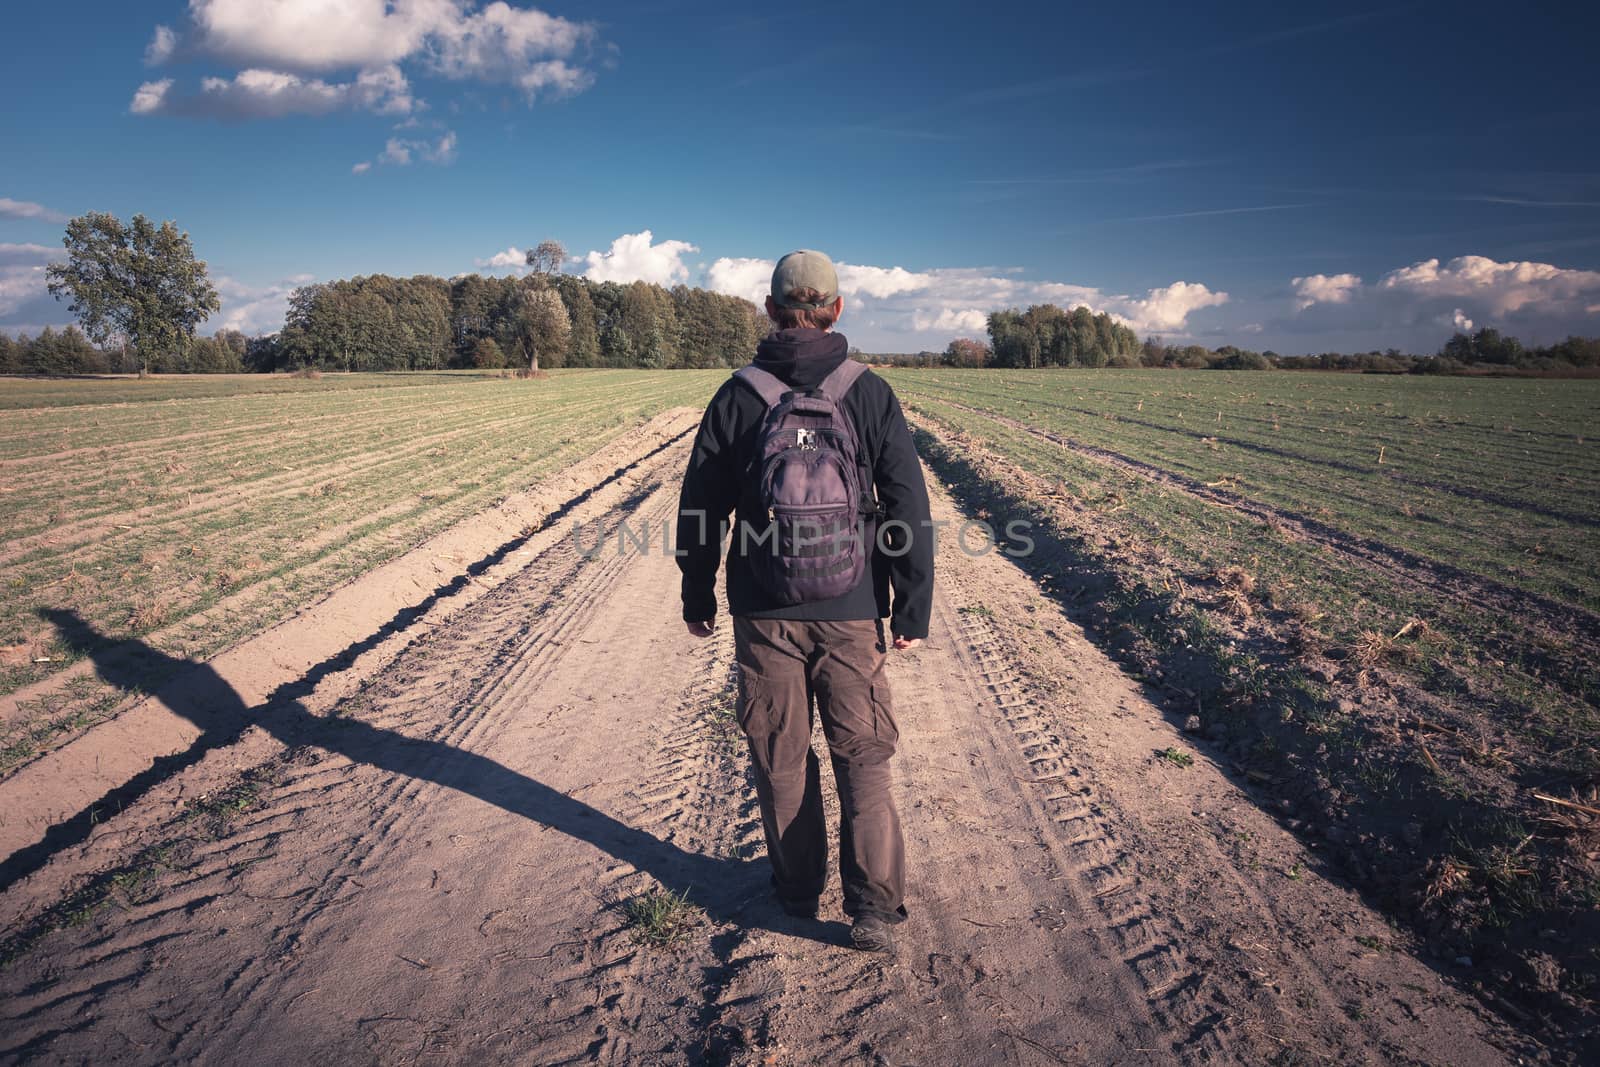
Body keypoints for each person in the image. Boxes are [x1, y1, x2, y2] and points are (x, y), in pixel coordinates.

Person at [676, 249, 934, 953]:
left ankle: (795, 891)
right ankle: (875, 907)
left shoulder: (738, 394)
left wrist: (697, 590)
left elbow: (700, 504)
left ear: (769, 310)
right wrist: (909, 606)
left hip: (763, 609)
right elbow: (907, 502)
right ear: (838, 309)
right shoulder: (869, 391)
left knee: (780, 753)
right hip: (852, 606)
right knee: (864, 753)